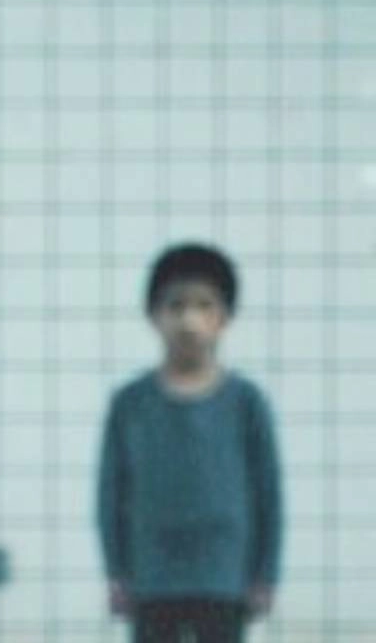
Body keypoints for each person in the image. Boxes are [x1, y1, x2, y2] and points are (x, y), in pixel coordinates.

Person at [97, 243, 283, 643]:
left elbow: (268, 494)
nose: (189, 320)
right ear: (154, 315)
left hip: (224, 579)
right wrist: (116, 572)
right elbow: (110, 493)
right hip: (152, 580)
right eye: (176, 305)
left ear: (224, 317)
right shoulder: (131, 404)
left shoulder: (245, 402)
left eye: (204, 305)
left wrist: (266, 574)